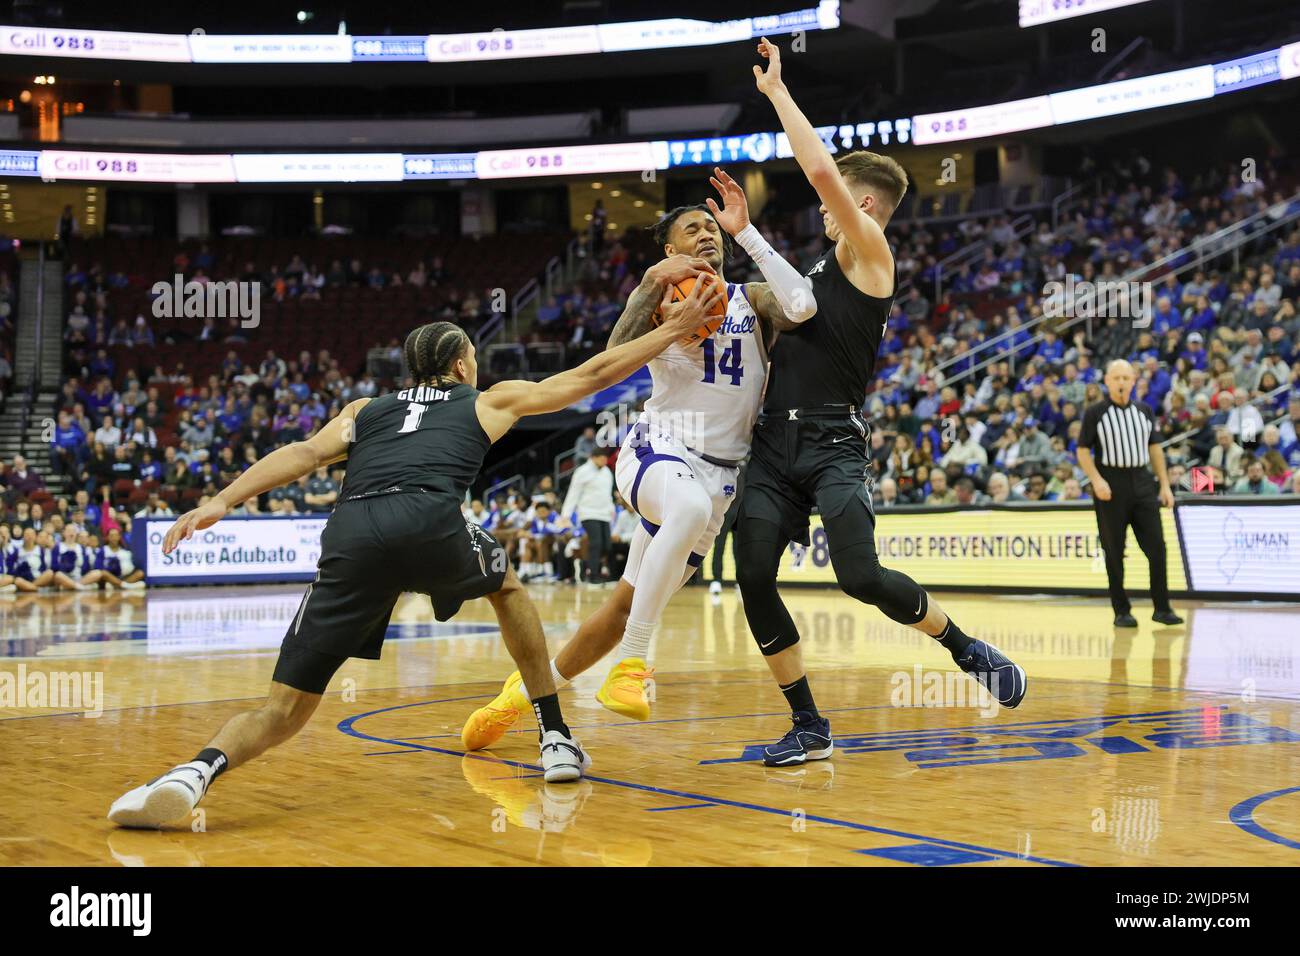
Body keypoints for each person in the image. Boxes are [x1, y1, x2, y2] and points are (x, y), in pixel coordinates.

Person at [108, 300, 713, 829]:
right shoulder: (485, 400)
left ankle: (192, 775)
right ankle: (555, 737)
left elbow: (300, 453)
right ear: (459, 366)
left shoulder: (365, 409)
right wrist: (674, 328)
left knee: (282, 708)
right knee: (506, 586)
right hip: (427, 520)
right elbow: (592, 375)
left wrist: (221, 500)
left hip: (351, 535)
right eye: (472, 356)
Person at [731, 38, 1026, 767]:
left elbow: (819, 169)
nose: (822, 208)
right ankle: (808, 724)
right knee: (752, 576)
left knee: (859, 577)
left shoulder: (871, 255)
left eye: (834, 202)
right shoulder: (825, 264)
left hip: (832, 440)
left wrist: (776, 95)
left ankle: (963, 647)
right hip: (772, 444)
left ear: (860, 205)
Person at [461, 175, 821, 749]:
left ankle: (520, 698)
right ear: (669, 250)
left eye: (711, 228)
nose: (706, 235)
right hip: (660, 449)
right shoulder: (658, 297)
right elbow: (610, 360)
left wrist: (746, 232)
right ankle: (633, 666)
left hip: (722, 474)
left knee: (623, 606)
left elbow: (803, 306)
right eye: (692, 229)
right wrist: (652, 287)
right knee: (685, 508)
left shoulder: (751, 299)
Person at [1076, 359, 1183, 628]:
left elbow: (1155, 448)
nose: (1122, 382)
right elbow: (1082, 451)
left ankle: (1162, 608)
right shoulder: (1095, 412)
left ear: (1134, 381)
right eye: (1117, 378)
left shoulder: (1145, 411)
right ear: (1108, 382)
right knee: (1114, 551)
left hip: (1142, 481)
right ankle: (1121, 610)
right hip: (1110, 485)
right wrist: (1096, 480)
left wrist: (1165, 484)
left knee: (1158, 547)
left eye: (1126, 377)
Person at [559, 447, 614, 582]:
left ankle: (589, 567)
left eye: (605, 458)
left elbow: (608, 494)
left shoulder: (607, 472)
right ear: (593, 457)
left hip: (604, 514)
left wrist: (611, 509)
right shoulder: (582, 472)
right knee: (596, 543)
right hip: (588, 513)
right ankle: (593, 574)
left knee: (607, 545)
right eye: (601, 458)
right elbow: (573, 493)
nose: (604, 461)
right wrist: (566, 515)